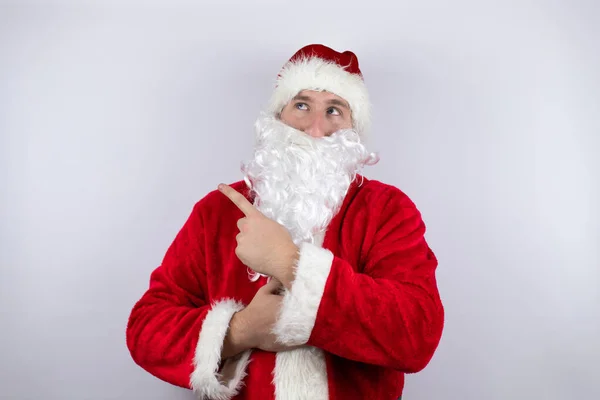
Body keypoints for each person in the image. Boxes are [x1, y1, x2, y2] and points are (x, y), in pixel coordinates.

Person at [126, 44, 444, 400]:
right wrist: (241, 330)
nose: (315, 129)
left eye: (335, 110)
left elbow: (417, 334)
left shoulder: (386, 210)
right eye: (302, 105)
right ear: (278, 115)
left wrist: (289, 262)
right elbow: (146, 329)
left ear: (354, 128)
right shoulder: (218, 211)